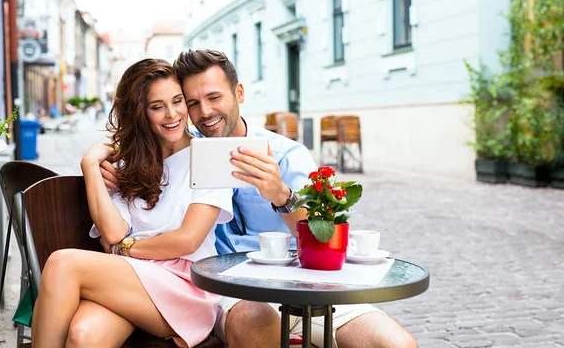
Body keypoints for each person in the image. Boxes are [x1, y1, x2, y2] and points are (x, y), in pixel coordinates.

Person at [101, 50, 417, 348]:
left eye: (214, 97)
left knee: (393, 342)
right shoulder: (183, 153)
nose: (205, 112)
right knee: (254, 319)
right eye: (193, 102)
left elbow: (329, 238)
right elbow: (138, 152)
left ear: (239, 93)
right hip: (228, 291)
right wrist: (108, 165)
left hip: (301, 285)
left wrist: (282, 195)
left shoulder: (287, 154)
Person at [31, 58, 233, 348]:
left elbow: (188, 240)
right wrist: (90, 165)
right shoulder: (129, 163)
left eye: (178, 101)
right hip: (130, 281)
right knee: (83, 336)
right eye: (157, 106)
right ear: (140, 113)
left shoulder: (211, 156)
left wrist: (125, 249)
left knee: (62, 263)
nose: (172, 114)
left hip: (186, 286)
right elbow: (113, 232)